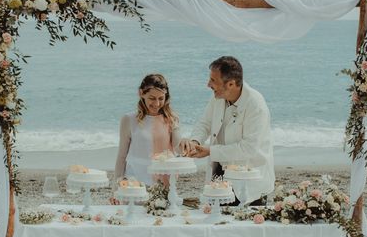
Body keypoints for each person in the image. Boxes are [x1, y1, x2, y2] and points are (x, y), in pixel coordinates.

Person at [180, 56, 275, 205]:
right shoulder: (218, 96)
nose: (208, 84)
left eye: (213, 80)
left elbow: (248, 148)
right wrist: (194, 141)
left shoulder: (256, 106)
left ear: (231, 84)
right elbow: (205, 123)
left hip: (248, 181)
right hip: (220, 176)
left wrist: (210, 151)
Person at [111, 74, 180, 203]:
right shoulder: (129, 119)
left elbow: (179, 148)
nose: (157, 103)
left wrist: (190, 143)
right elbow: (121, 156)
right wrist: (115, 188)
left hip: (162, 184)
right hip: (134, 183)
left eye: (161, 98)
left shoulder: (172, 119)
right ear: (141, 93)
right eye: (152, 98)